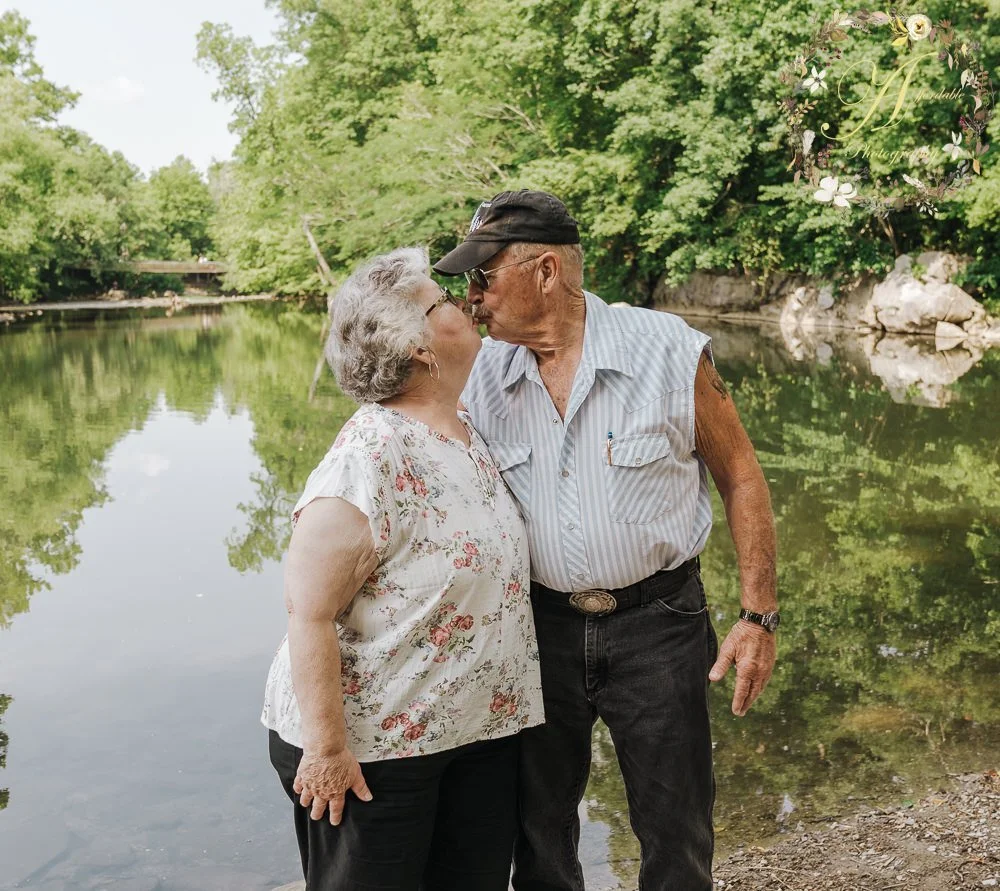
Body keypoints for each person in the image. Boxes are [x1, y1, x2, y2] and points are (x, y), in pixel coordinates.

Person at [433, 191, 779, 890]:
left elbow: (742, 475)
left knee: (675, 826)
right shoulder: (480, 376)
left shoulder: (669, 352)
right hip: (536, 629)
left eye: (483, 277)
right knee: (537, 830)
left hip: (660, 625)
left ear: (547, 272)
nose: (471, 299)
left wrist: (757, 615)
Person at [261, 246, 544, 891]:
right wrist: (327, 749)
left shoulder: (466, 432)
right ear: (416, 345)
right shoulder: (366, 460)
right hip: (373, 748)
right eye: (443, 301)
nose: (465, 303)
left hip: (474, 729)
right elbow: (309, 615)